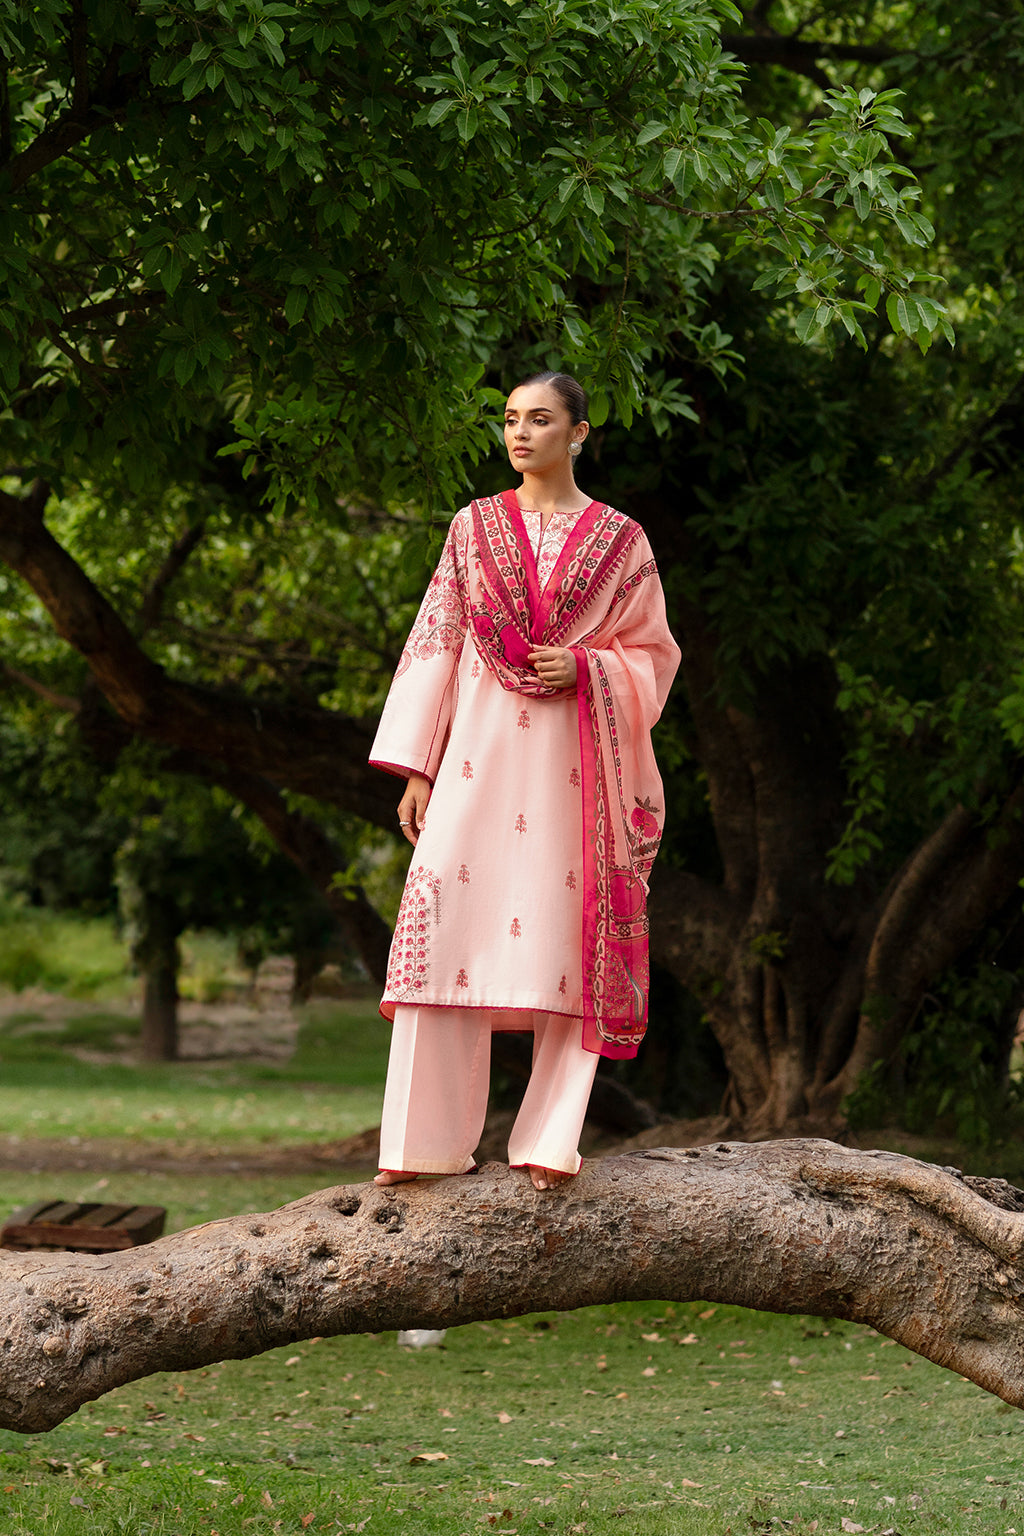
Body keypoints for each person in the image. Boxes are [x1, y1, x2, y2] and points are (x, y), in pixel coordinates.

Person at [369, 371, 680, 1191]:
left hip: (575, 772)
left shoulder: (622, 540)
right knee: (443, 928)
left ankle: (548, 1144)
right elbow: (435, 643)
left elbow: (653, 654)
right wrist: (416, 766)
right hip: (474, 762)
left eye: (540, 419)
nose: (520, 433)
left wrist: (587, 667)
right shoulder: (472, 530)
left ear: (579, 433)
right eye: (510, 418)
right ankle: (418, 1145)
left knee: (564, 941)